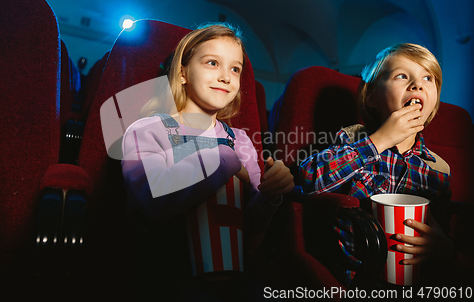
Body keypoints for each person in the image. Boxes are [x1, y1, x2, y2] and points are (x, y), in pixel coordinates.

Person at [121, 23, 294, 300]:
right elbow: (153, 199)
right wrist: (225, 160)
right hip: (163, 272)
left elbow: (248, 225)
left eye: (235, 69)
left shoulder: (239, 140)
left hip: (233, 271)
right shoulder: (147, 130)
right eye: (213, 63)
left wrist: (271, 194)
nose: (226, 77)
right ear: (183, 72)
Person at [299, 43, 455, 285]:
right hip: (357, 279)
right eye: (402, 76)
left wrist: (444, 246)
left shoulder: (438, 168)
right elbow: (309, 179)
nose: (417, 84)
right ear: (372, 97)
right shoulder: (353, 139)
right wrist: (379, 141)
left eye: (428, 78)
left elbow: (438, 230)